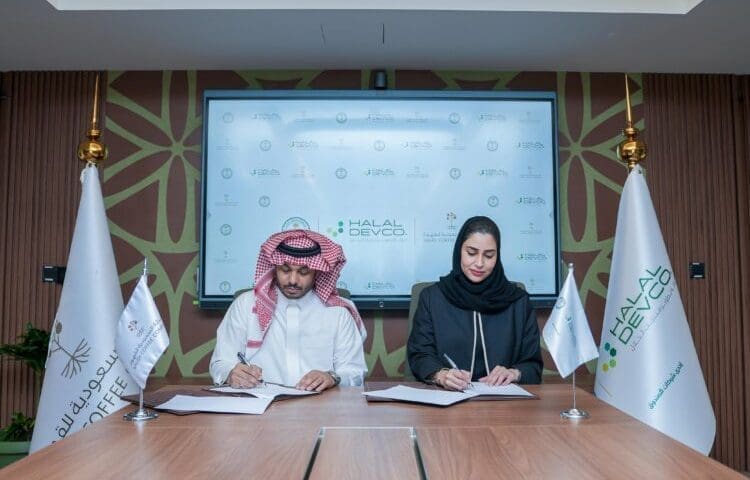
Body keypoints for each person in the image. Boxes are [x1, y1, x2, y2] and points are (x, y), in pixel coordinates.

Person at [209, 229, 367, 391]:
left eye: (304, 272)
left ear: (317, 272)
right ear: (274, 267)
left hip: (320, 403)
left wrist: (332, 377)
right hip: (259, 402)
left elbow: (355, 373)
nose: (293, 280)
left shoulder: (338, 312)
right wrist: (231, 373)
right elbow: (220, 364)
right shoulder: (245, 304)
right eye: (285, 270)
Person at [407, 216, 542, 390]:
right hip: (447, 400)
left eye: (489, 255)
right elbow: (419, 355)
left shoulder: (519, 302)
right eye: (471, 253)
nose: (479, 263)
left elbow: (533, 366)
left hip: (504, 402)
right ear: (459, 251)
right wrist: (441, 375)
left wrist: (514, 373)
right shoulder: (432, 298)